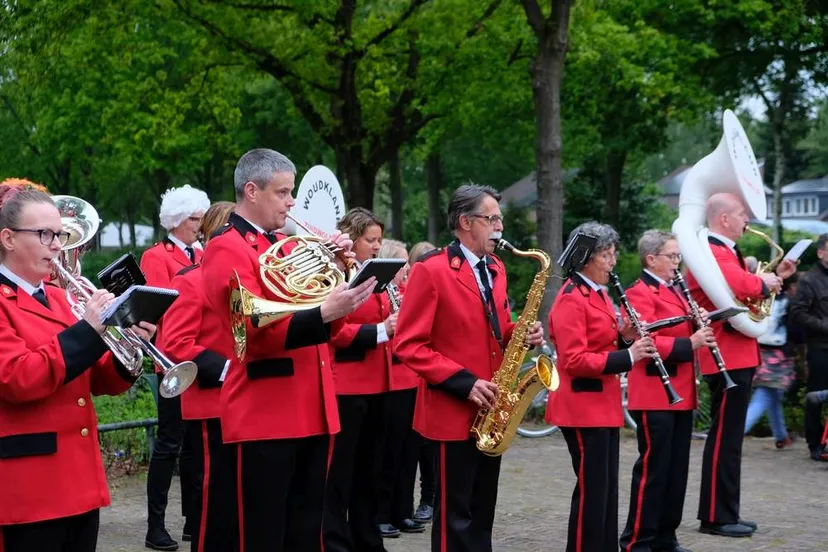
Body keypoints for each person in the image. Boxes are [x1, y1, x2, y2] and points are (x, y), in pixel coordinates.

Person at [200, 149, 375, 552]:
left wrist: (340, 276)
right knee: (263, 535)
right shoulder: (228, 247)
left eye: (290, 192)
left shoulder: (285, 245)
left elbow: (329, 327)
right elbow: (251, 329)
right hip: (266, 409)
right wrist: (322, 312)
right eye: (282, 192)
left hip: (313, 406)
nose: (291, 202)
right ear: (252, 191)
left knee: (306, 532)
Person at [0, 181, 154, 552]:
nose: (57, 245)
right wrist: (88, 330)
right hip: (29, 487)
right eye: (44, 234)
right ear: (7, 238)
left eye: (60, 234)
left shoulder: (59, 297)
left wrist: (132, 345)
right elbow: (18, 378)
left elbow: (97, 377)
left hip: (78, 480)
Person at [394, 184, 544, 552]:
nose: (500, 227)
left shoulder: (496, 267)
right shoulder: (431, 271)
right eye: (491, 219)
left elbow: (495, 329)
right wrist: (464, 382)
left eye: (500, 219)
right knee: (454, 517)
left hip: (492, 408)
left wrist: (520, 334)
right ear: (465, 222)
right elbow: (408, 344)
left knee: (481, 511)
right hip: (453, 408)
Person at [685, 192, 795, 537]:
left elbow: (742, 289)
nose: (747, 219)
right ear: (724, 219)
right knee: (724, 440)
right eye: (741, 213)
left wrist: (773, 277)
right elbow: (739, 284)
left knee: (730, 440)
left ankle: (724, 510)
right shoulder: (713, 251)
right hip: (725, 354)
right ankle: (716, 516)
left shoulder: (723, 251)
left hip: (736, 353)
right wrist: (766, 282)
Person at [546, 221, 655, 552]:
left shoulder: (599, 293)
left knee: (606, 490)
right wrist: (630, 357)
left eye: (612, 254)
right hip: (581, 407)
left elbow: (604, 343)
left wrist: (626, 337)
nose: (613, 261)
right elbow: (574, 360)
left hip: (603, 405)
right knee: (592, 491)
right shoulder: (570, 298)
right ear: (586, 259)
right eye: (606, 255)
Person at [619, 230, 715, 552]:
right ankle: (637, 540)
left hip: (681, 391)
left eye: (677, 256)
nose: (677, 262)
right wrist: (690, 343)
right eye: (672, 256)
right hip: (653, 392)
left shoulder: (675, 289)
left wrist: (700, 322)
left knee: (676, 469)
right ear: (651, 259)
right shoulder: (638, 292)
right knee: (653, 469)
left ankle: (665, 535)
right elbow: (644, 340)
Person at [159, 201, 236, 552]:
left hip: (245, 401)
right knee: (212, 498)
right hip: (212, 402)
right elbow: (174, 344)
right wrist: (226, 369)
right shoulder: (190, 280)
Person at [142, 184, 210, 551]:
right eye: (193, 220)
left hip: (196, 358)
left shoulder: (203, 252)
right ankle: (155, 525)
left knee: (195, 448)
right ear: (177, 221)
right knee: (169, 444)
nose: (199, 226)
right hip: (170, 360)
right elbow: (158, 305)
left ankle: (193, 520)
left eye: (201, 218)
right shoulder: (158, 255)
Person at [374, 238, 425, 538]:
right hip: (391, 379)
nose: (406, 268)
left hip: (413, 378)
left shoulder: (406, 293)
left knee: (409, 452)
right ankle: (382, 512)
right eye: (401, 262)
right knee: (388, 452)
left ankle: (403, 510)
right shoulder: (383, 293)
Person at [744, 272, 800, 449]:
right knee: (764, 395)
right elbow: (796, 332)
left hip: (760, 350)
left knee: (773, 395)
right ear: (791, 286)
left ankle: (781, 435)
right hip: (780, 355)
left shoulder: (765, 298)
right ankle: (737, 433)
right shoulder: (789, 303)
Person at [404, 240, 438, 525]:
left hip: (428, 378)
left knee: (429, 450)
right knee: (412, 449)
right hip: (407, 380)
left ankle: (430, 497)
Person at [789, 233, 828, 462]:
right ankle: (814, 443)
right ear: (821, 252)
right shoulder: (808, 280)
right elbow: (797, 314)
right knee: (816, 397)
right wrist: (824, 326)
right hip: (820, 346)